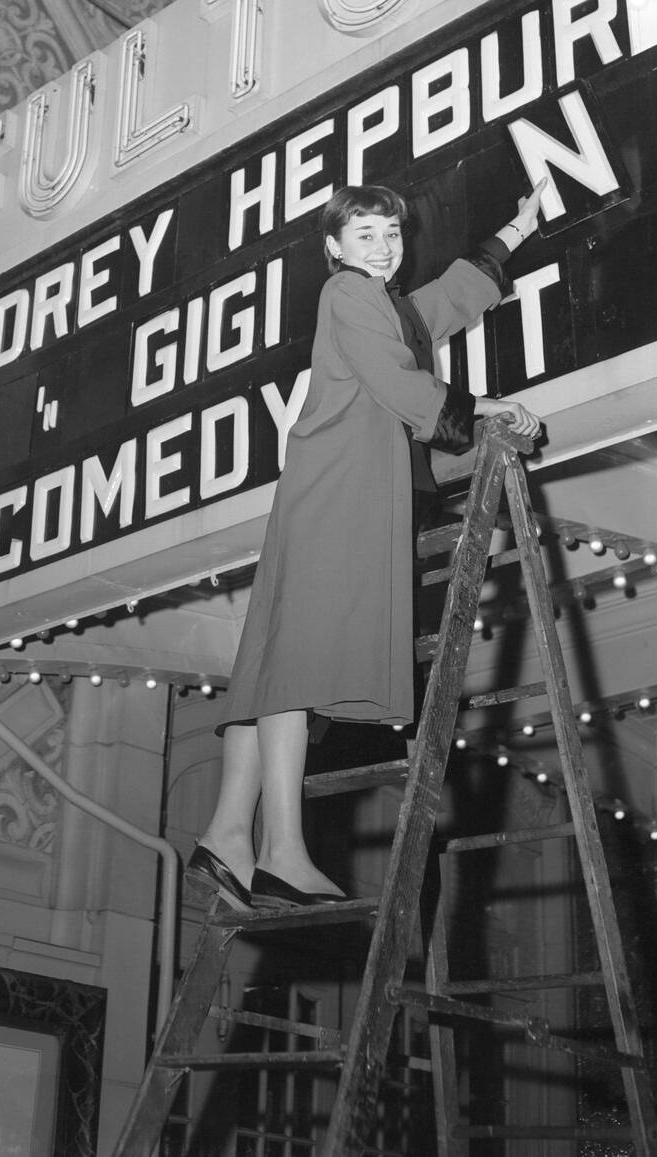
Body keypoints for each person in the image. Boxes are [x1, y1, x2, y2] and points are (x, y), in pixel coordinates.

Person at [186, 180, 545, 912]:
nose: (383, 248)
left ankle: (229, 832)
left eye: (392, 234)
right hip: (335, 493)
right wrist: (486, 406)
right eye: (365, 236)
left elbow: (443, 302)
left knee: (277, 657)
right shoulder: (349, 295)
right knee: (297, 662)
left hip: (336, 492)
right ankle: (281, 847)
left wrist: (513, 229)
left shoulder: (385, 305)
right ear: (334, 249)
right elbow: (400, 381)